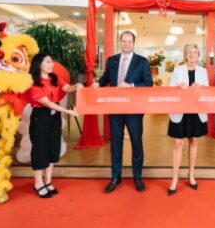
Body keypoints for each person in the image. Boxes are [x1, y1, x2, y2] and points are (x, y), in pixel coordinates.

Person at [94, 31, 153, 193]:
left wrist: (131, 85)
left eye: (129, 41)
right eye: (124, 41)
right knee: (115, 144)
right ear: (120, 42)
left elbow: (148, 83)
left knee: (136, 143)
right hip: (115, 108)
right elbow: (106, 77)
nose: (126, 44)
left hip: (134, 110)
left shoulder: (142, 62)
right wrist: (98, 84)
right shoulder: (112, 60)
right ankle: (115, 177)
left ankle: (137, 177)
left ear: (134, 43)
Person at [27, 53, 82, 198]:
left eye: (52, 61)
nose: (51, 64)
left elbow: (67, 88)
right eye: (48, 62)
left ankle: (48, 181)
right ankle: (38, 183)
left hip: (55, 117)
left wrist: (77, 86)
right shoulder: (33, 82)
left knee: (53, 148)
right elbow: (47, 103)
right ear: (39, 64)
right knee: (40, 150)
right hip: (41, 117)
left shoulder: (55, 78)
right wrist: (67, 111)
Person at [167, 44, 209, 196]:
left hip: (196, 112)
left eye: (195, 52)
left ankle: (191, 174)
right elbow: (170, 89)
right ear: (185, 55)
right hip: (180, 111)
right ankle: (175, 177)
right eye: (189, 52)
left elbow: (207, 91)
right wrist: (179, 86)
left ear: (198, 55)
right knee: (178, 143)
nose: (192, 54)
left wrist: (201, 87)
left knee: (194, 141)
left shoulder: (203, 71)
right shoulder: (178, 70)